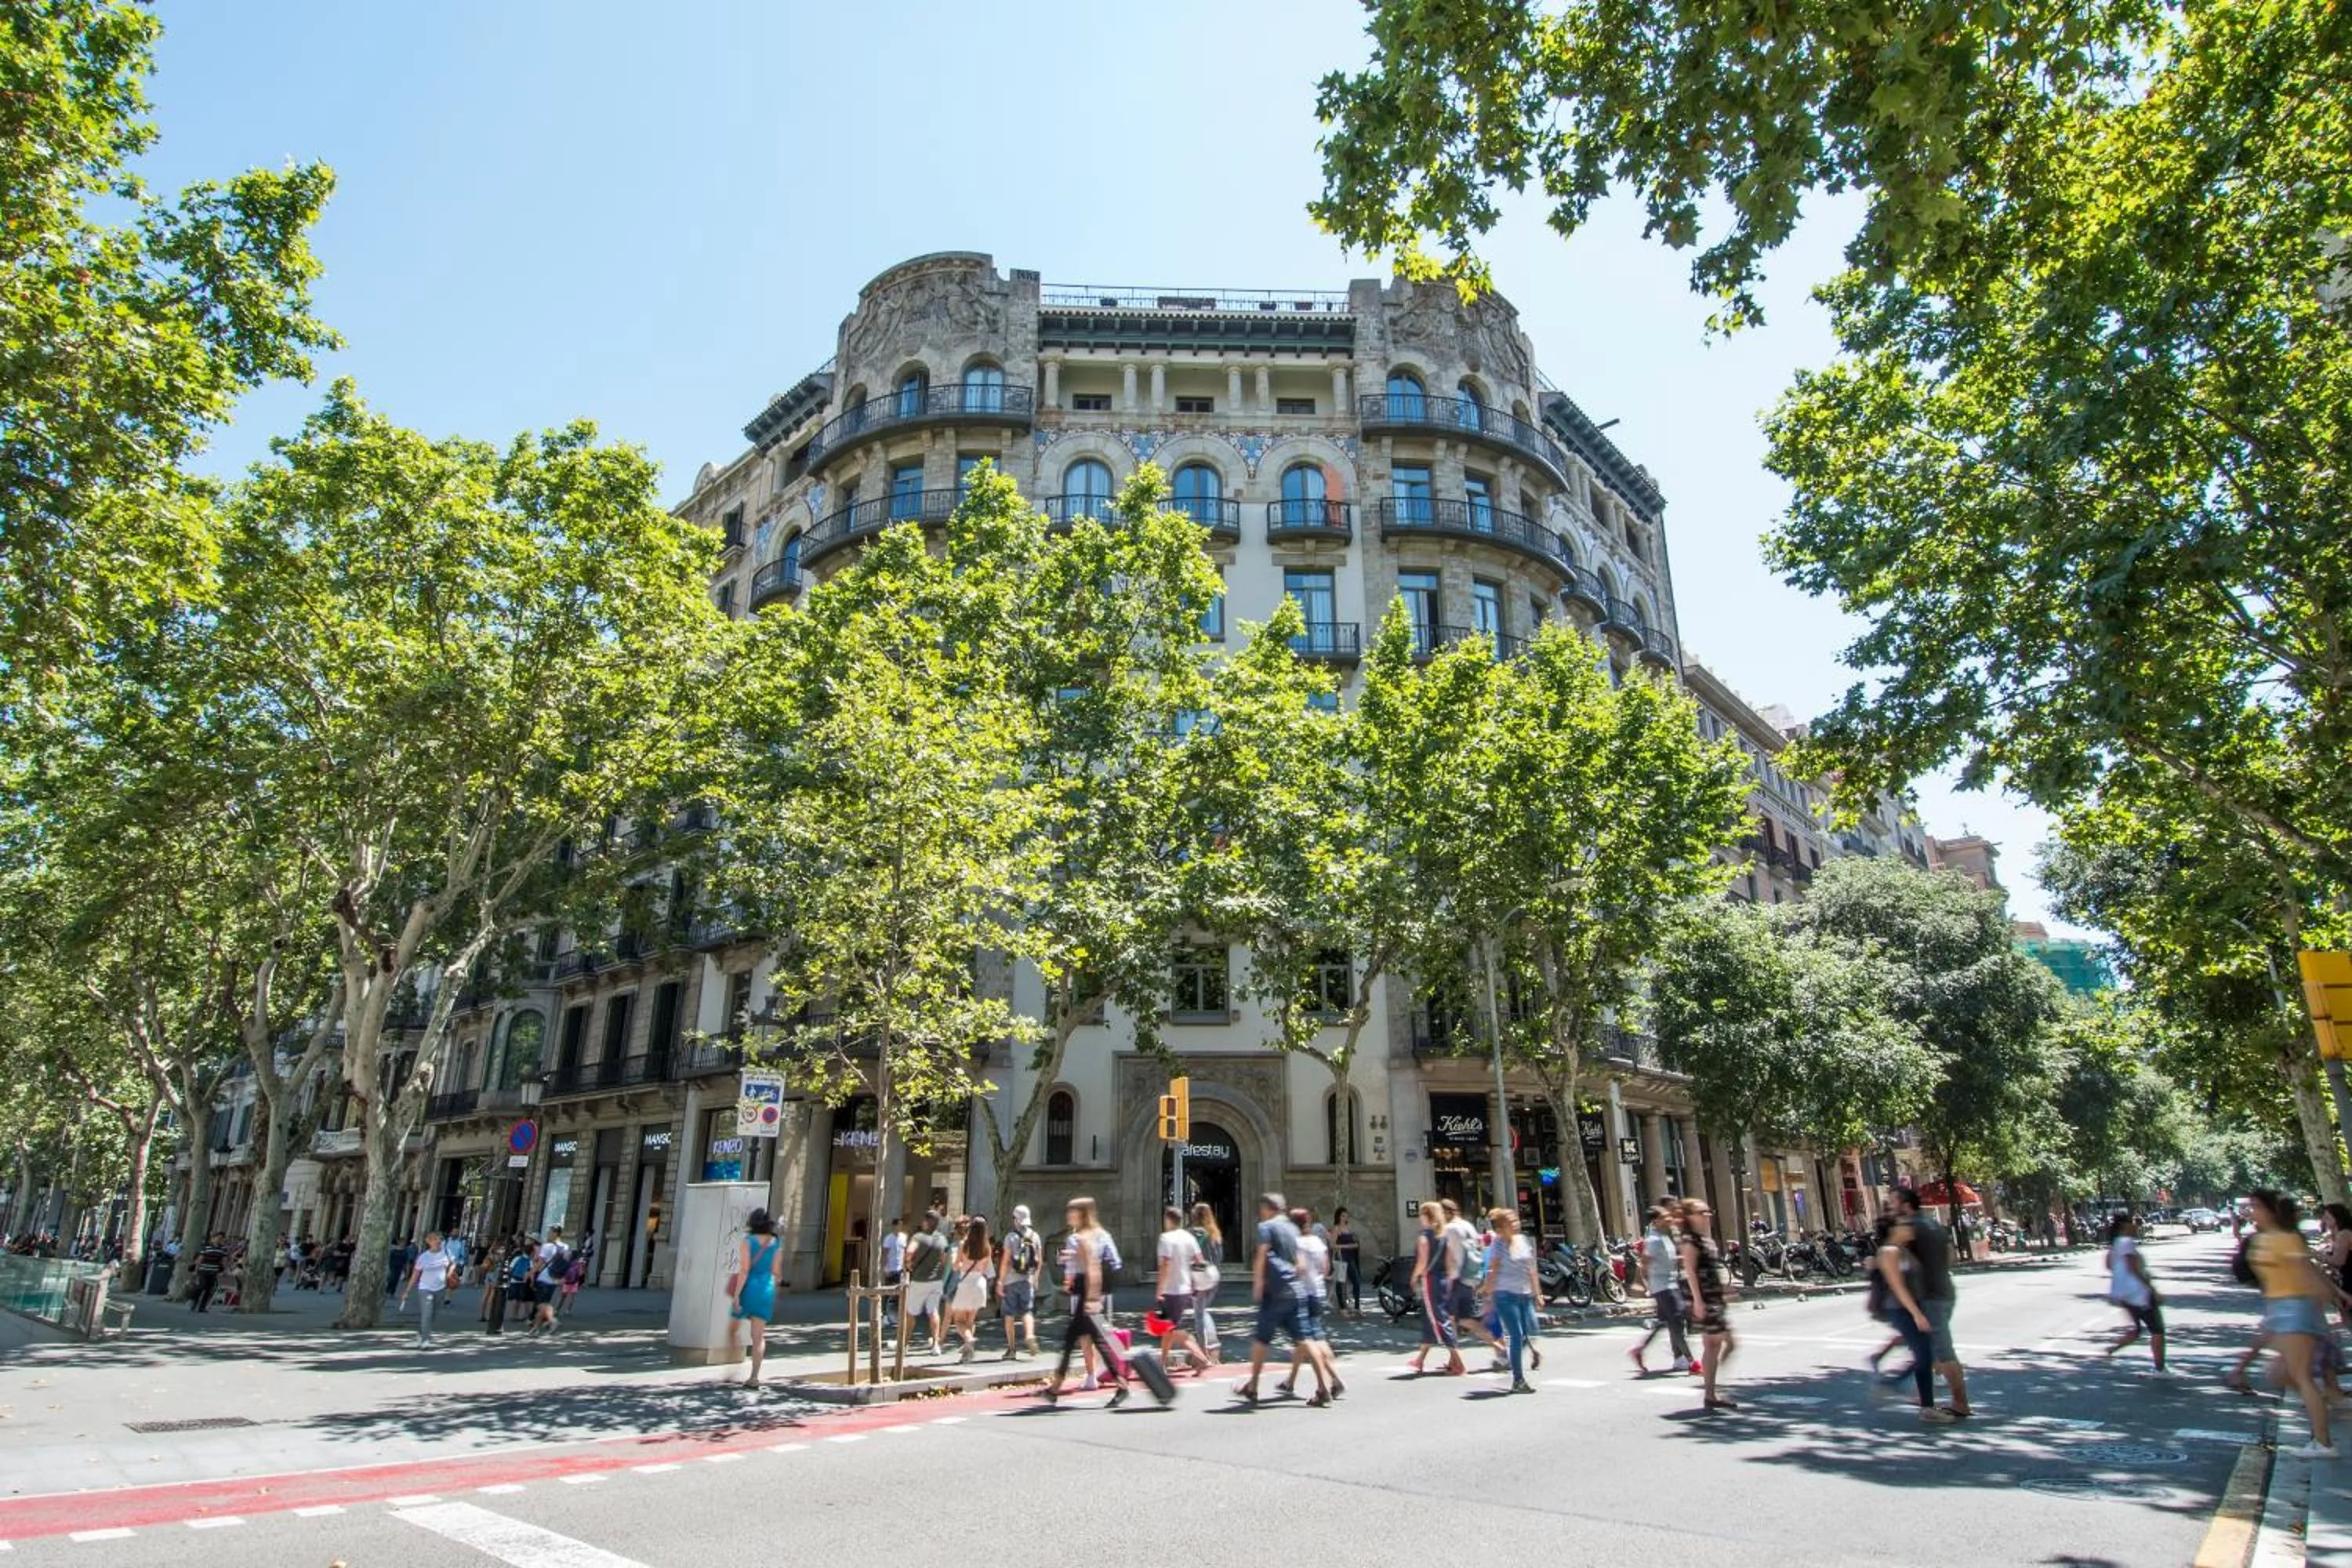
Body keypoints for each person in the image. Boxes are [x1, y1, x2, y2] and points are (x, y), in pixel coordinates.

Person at [2241, 1189, 2350, 1457]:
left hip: (2295, 1309)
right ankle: (2322, 1418)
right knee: (2280, 1375)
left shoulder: (2285, 1240)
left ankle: (2323, 1442)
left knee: (2300, 1377)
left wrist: (2334, 1296)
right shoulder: (2265, 1239)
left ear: (2269, 1210)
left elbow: (2308, 1273)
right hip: (2282, 1309)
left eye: (2255, 1205)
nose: (2250, 1210)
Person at [1046, 1197, 1137, 1406]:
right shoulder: (1099, 1235)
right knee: (1092, 1341)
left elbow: (1093, 1270)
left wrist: (1092, 1298)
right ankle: (1121, 1385)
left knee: (1072, 1341)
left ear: (1082, 1214)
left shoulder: (1080, 1238)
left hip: (1085, 1293)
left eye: (1072, 1211)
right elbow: (1112, 1262)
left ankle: (1056, 1387)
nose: (1068, 1215)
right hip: (1088, 1292)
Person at [1236, 1193, 1325, 1406]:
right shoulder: (1293, 1229)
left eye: (1262, 1209)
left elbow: (1261, 1256)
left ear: (1267, 1208)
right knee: (1306, 1339)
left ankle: (1254, 1386)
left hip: (1275, 1293)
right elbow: (1301, 1263)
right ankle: (1323, 1387)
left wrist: (1258, 1285)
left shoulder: (1266, 1227)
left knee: (1261, 1340)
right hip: (1297, 1289)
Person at [1891, 1187, 1969, 1418]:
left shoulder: (1910, 1228)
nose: (1891, 1206)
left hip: (1932, 1297)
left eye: (1893, 1202)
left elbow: (1888, 1255)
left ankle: (1960, 1403)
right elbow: (1950, 1256)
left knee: (1944, 1351)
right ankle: (1922, 1392)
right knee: (1930, 1346)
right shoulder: (1934, 1225)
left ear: (1905, 1205)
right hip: (1946, 1290)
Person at [1875, 1208, 1939, 1416]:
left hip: (1912, 1308)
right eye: (1906, 1224)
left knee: (1926, 1355)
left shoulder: (1902, 1249)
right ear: (1894, 1229)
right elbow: (1897, 1286)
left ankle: (1923, 1403)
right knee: (1924, 1355)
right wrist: (1917, 1314)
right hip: (1901, 1309)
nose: (1911, 1227)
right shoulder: (1889, 1252)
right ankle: (1923, 1404)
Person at [1275, 1205, 1341, 1400]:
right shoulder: (1317, 1242)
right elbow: (1326, 1269)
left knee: (1309, 1341)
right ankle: (1290, 1382)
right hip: (1318, 1292)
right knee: (1303, 1341)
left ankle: (1334, 1380)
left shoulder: (1296, 1243)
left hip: (1302, 1295)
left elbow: (1298, 1269)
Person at [1678, 1198, 1736, 1411]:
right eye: (1700, 1212)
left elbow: (1712, 1270)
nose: (1706, 1216)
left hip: (1713, 1297)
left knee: (1716, 1345)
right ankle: (1711, 1390)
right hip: (1706, 1299)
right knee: (1721, 1344)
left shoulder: (1704, 1240)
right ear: (1689, 1217)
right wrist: (1698, 1301)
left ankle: (1711, 1391)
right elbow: (1690, 1272)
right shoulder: (1689, 1241)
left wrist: (1725, 1290)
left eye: (1707, 1212)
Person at [1478, 1207, 1544, 1394]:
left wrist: (1538, 1294)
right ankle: (1518, 1380)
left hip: (1524, 1294)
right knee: (1516, 1335)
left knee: (1530, 1331)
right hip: (1505, 1294)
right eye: (1511, 1222)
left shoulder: (1522, 1240)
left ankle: (1508, 1359)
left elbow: (1531, 1268)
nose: (1516, 1224)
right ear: (1500, 1228)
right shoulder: (1498, 1244)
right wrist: (1488, 1294)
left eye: (1516, 1221)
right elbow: (1493, 1269)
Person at [1628, 1203, 1693, 1376]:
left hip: (1670, 1283)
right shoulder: (1654, 1240)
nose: (1669, 1218)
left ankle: (1639, 1350)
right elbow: (1645, 1262)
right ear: (1656, 1220)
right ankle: (1691, 1361)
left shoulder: (1664, 1236)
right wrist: (1645, 1285)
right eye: (1665, 1217)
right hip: (1663, 1286)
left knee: (1666, 1321)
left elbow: (1668, 1258)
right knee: (1676, 1321)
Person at [725, 1208, 784, 1388]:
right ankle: (754, 1376)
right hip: (766, 1289)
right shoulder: (775, 1243)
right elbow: (777, 1273)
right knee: (759, 1337)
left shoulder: (748, 1242)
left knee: (733, 1329)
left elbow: (744, 1271)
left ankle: (734, 1367)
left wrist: (736, 1296)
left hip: (749, 1289)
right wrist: (774, 1293)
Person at [1440, 1200, 1505, 1362]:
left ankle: (1457, 1360)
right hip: (1471, 1278)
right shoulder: (1468, 1226)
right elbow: (1481, 1247)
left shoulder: (1449, 1229)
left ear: (1447, 1212)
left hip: (1456, 1279)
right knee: (1463, 1319)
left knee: (1454, 1320)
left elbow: (1448, 1256)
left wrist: (1446, 1276)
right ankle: (1454, 1360)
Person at [2103, 1213, 2169, 1374]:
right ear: (2125, 1226)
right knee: (2157, 1330)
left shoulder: (2115, 1244)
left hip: (2124, 1294)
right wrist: (2152, 1289)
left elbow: (2109, 1265)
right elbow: (2133, 1268)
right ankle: (2160, 1369)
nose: (2136, 1225)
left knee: (2137, 1329)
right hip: (2139, 1293)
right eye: (2132, 1223)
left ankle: (2111, 1350)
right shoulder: (2126, 1242)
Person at [1407, 1200, 1464, 1376]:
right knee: (1432, 1318)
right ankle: (1420, 1360)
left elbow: (1422, 1261)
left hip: (1430, 1280)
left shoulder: (1424, 1237)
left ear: (1426, 1216)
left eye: (1422, 1215)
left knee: (1438, 1320)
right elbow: (1449, 1261)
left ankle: (1458, 1361)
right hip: (1443, 1279)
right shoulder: (1443, 1236)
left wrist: (1414, 1276)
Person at [948, 1215, 995, 1363]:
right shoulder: (987, 1247)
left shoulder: (964, 1245)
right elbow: (987, 1269)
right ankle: (968, 1353)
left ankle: (969, 1339)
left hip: (966, 1283)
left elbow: (956, 1266)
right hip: (980, 1283)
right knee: (970, 1320)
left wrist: (960, 1264)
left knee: (958, 1320)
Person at [999, 1205, 1044, 1359]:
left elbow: (1005, 1261)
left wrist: (1000, 1281)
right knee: (1027, 1311)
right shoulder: (1035, 1236)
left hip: (1011, 1280)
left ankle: (1011, 1349)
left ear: (1015, 1219)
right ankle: (1030, 1335)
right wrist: (1035, 1278)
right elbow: (1039, 1259)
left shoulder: (1010, 1237)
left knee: (1009, 1315)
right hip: (1027, 1279)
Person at [902, 1211, 949, 1356]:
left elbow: (910, 1252)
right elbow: (944, 1260)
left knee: (910, 1313)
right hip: (936, 1281)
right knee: (933, 1311)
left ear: (927, 1222)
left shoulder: (919, 1237)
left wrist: (908, 1264)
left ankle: (905, 1344)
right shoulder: (943, 1240)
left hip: (919, 1280)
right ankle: (936, 1344)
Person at [398, 1231, 454, 1349]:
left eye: (439, 1239)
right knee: (427, 1314)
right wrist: (407, 1291)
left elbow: (453, 1263)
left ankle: (421, 1333)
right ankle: (425, 1340)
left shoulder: (446, 1253)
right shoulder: (423, 1257)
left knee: (432, 1315)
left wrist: (449, 1274)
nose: (437, 1242)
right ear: (428, 1242)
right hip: (425, 1288)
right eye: (434, 1239)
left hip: (441, 1288)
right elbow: (415, 1275)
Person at [1187, 1203, 1225, 1365]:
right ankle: (1210, 1347)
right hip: (1213, 1276)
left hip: (1198, 1277)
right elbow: (1219, 1257)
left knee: (1200, 1315)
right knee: (1203, 1311)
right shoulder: (1215, 1234)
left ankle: (1205, 1351)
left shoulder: (1191, 1234)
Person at [527, 1226, 569, 1338]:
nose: (548, 1234)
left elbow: (540, 1263)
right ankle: (535, 1328)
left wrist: (531, 1273)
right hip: (555, 1278)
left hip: (545, 1278)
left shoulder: (547, 1246)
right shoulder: (565, 1246)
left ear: (556, 1233)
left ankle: (552, 1321)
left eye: (550, 1232)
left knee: (542, 1304)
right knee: (543, 1303)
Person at [1331, 1208, 1363, 1318]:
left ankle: (1357, 1308)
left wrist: (1355, 1244)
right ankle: (1342, 1308)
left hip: (1350, 1258)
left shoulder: (1349, 1228)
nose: (1345, 1218)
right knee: (1340, 1283)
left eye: (1346, 1216)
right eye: (1343, 1216)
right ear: (1338, 1217)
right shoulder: (1336, 1229)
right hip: (1340, 1257)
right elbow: (1333, 1245)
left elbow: (1354, 1242)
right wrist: (1347, 1246)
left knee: (1356, 1282)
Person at [191, 1232, 228, 1312]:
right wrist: (196, 1270)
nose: (219, 1240)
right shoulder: (206, 1247)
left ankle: (202, 1307)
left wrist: (225, 1270)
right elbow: (200, 1259)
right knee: (201, 1286)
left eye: (221, 1239)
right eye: (218, 1238)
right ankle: (195, 1301)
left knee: (208, 1289)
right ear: (213, 1239)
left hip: (213, 1271)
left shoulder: (223, 1249)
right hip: (203, 1270)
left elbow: (223, 1261)